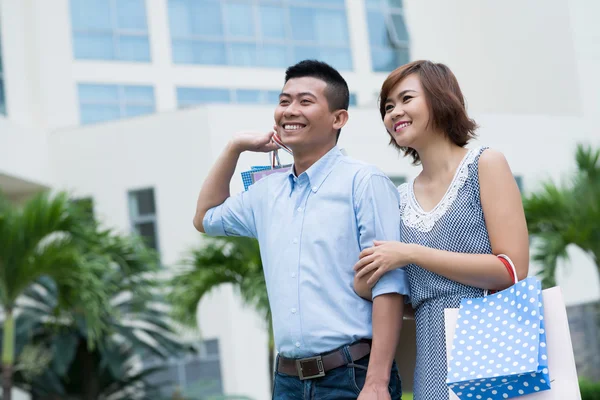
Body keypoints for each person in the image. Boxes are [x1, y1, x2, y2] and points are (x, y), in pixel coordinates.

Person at [193, 59, 409, 399]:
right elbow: (205, 217)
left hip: (351, 377)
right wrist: (235, 146)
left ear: (338, 118)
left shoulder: (363, 182)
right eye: (284, 101)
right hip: (287, 382)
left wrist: (377, 382)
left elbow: (389, 285)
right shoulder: (267, 192)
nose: (290, 111)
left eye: (305, 102)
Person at [353, 60, 529, 399]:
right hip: (431, 361)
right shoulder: (399, 197)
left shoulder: (485, 163)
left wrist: (410, 253)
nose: (394, 112)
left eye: (405, 99)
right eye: (388, 107)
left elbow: (511, 269)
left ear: (440, 99)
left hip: (493, 350)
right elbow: (416, 296)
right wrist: (367, 281)